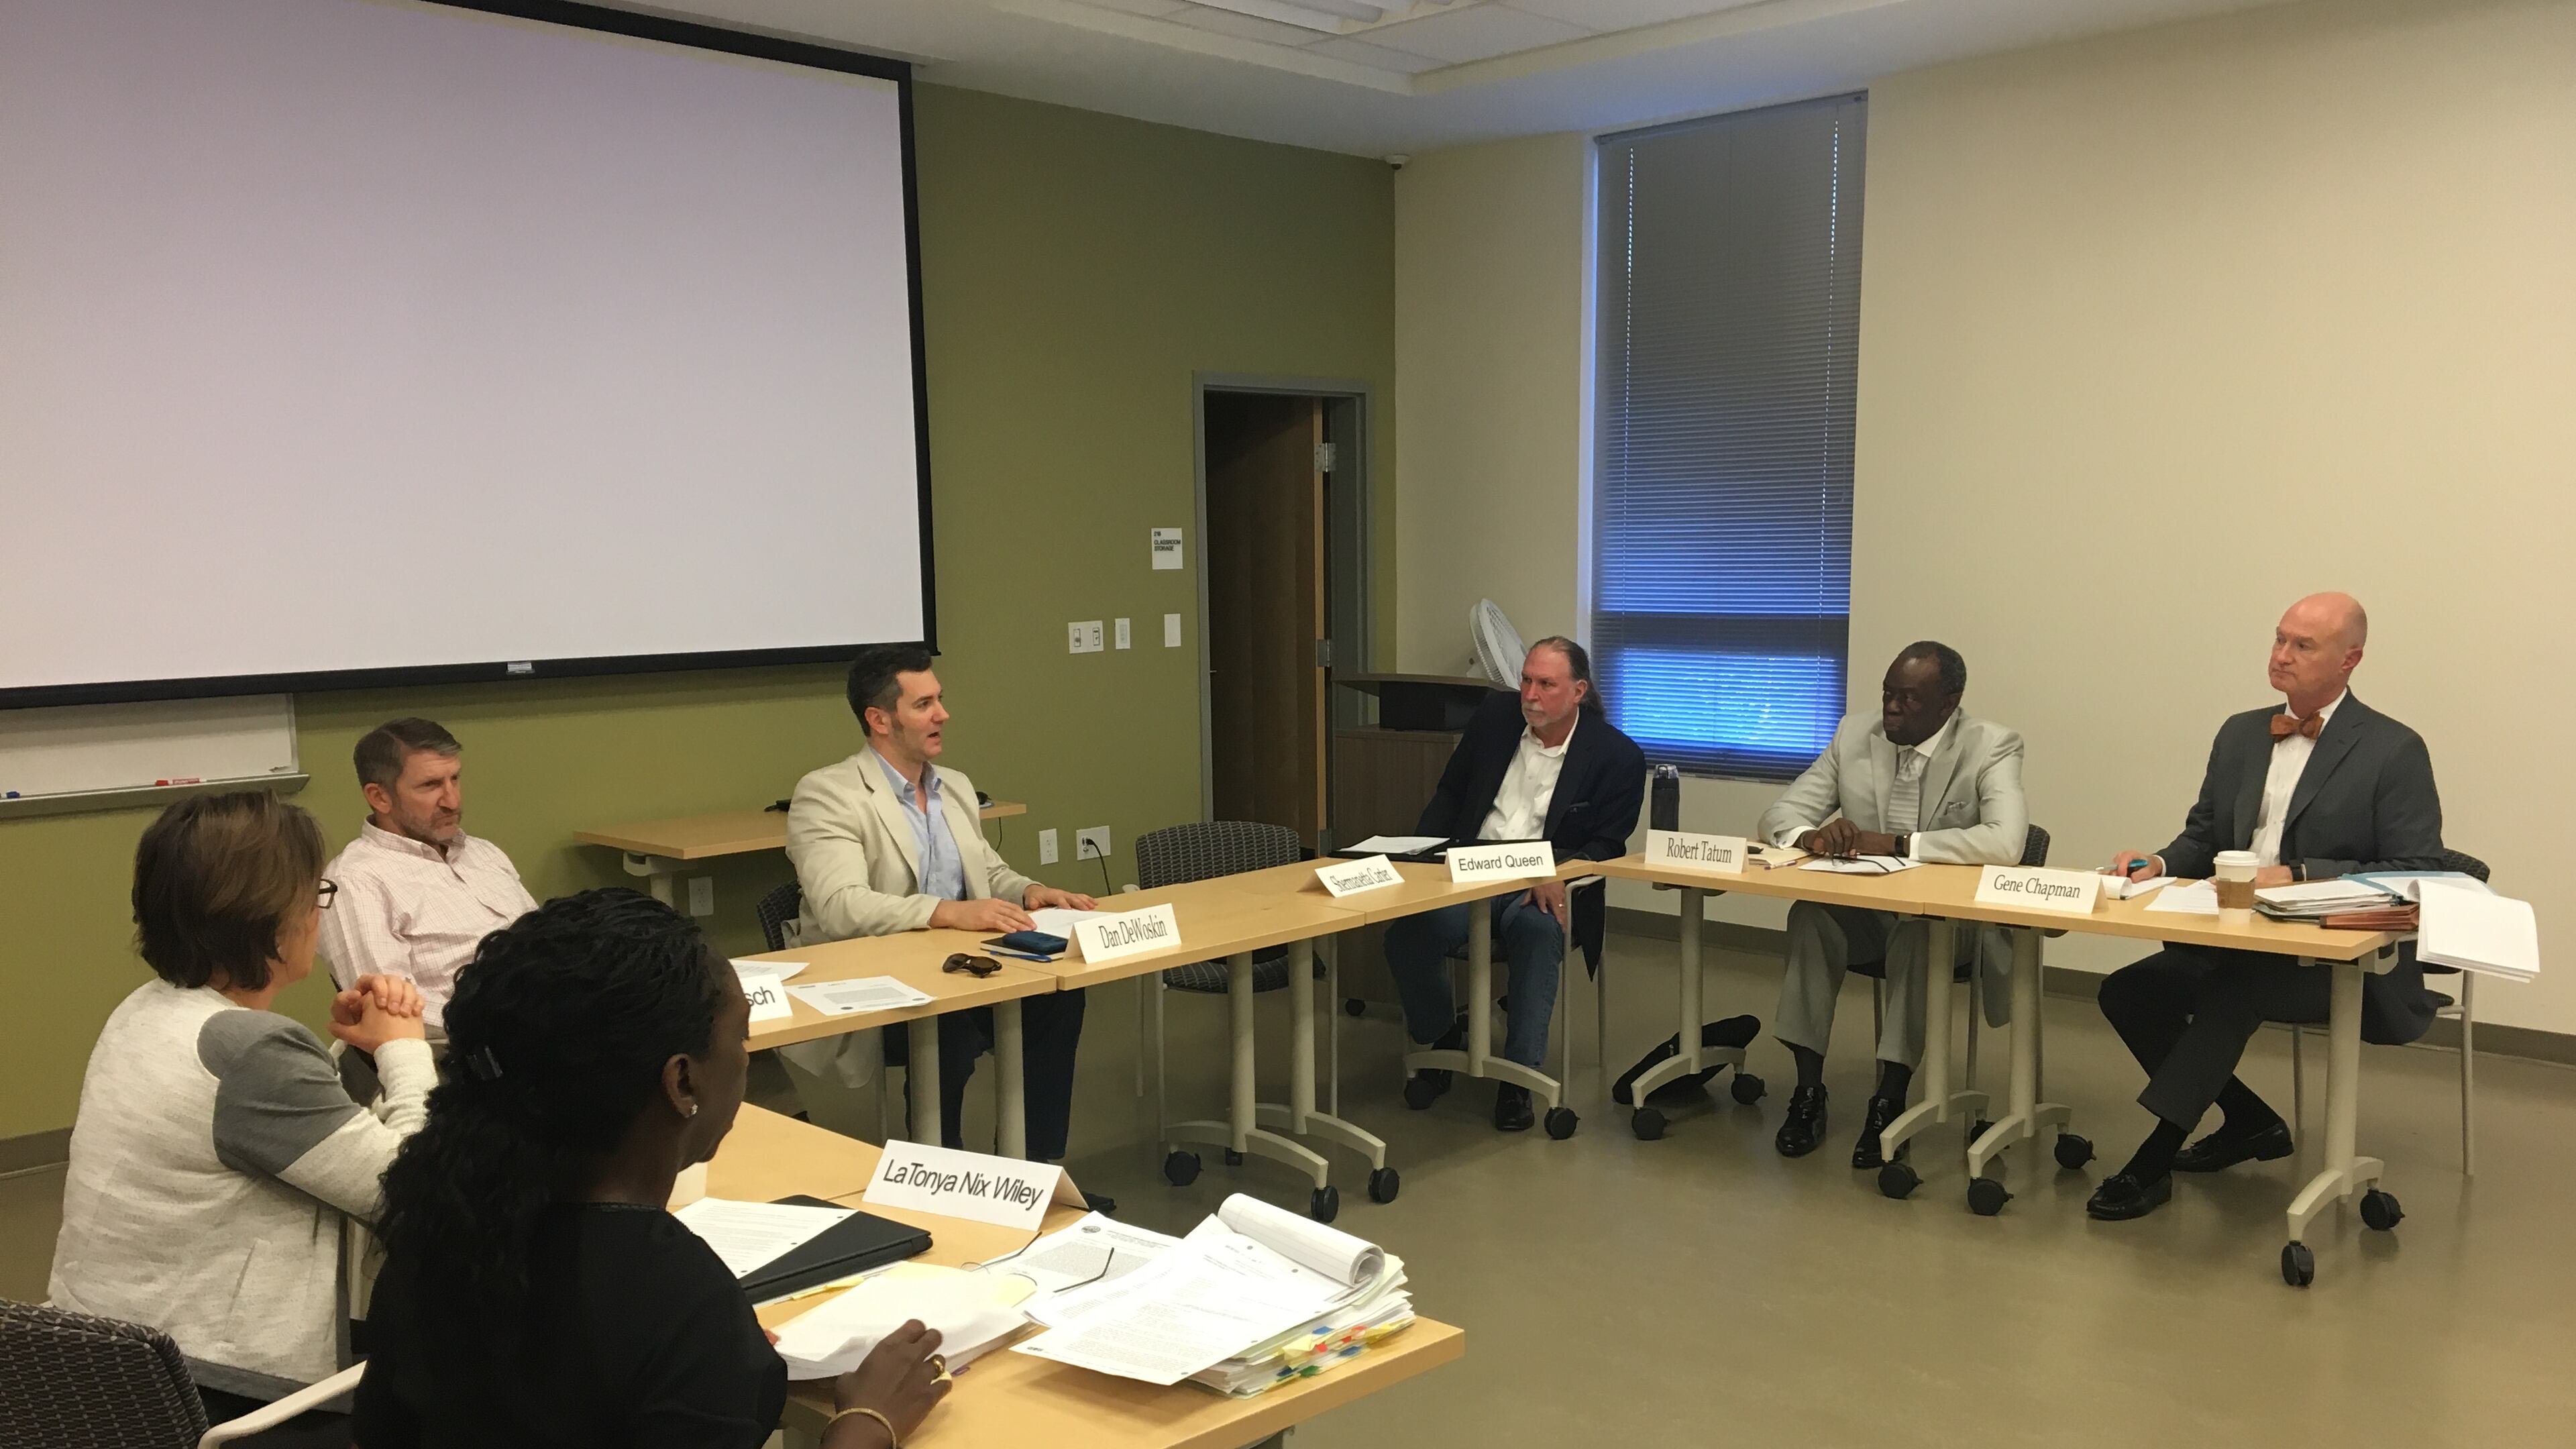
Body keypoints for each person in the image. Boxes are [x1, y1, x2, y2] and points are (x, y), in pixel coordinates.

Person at [357, 889, 951, 1448]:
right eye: (741, 1042)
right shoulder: (674, 1300)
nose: (745, 1063)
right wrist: (865, 1424)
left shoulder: (439, 1229)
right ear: (683, 1080)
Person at [48, 790, 429, 1445]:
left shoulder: (148, 1011)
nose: (319, 910)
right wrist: (405, 1049)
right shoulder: (252, 1052)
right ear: (268, 916)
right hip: (220, 1394)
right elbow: (425, 1197)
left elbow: (268, 1135)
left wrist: (358, 1058)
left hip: (102, 1369)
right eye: (316, 893)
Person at [2092, 592, 2444, 1221]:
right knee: (2128, 992)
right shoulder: (2240, 733)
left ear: (2349, 660)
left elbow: (2415, 869)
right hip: (2236, 937)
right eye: (2279, 640)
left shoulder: (2394, 749)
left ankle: (2153, 1159)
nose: (2281, 656)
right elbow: (2204, 837)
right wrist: (2162, 864)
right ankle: (2251, 1121)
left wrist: (2302, 875)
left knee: (2236, 990)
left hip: (2340, 963)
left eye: (2302, 646)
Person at [786, 645, 1097, 1161]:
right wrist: (946, 912)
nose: (943, 715)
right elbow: (841, 905)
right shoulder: (829, 794)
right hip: (874, 984)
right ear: (879, 719)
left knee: (1059, 997)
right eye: (924, 704)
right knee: (946, 1027)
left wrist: (1028, 890)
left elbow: (985, 870)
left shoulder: (954, 786)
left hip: (964, 969)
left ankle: (1036, 1169)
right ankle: (939, 1168)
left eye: (940, 700)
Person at [1756, 642, 2029, 1168]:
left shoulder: (1992, 745)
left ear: (1949, 704)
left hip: (1954, 926)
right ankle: (1809, 1092)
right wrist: (1810, 834)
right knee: (1810, 914)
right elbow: (1779, 814)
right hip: (1872, 915)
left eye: (1908, 699)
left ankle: (1891, 1098)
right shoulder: (1854, 735)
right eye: (1887, 694)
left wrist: (1901, 844)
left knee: (1919, 933)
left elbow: (2006, 843)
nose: (1892, 708)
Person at [1389, 637, 1645, 1132]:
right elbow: (1451, 793)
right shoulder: (1494, 720)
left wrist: (1562, 876)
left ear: (1578, 691)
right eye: (1526, 680)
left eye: (1546, 684)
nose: (1530, 694)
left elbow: (1608, 843)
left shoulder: (1617, 756)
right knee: (1407, 934)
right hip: (1468, 870)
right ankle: (1442, 1040)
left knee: (1538, 931)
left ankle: (1519, 1077)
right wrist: (1419, 857)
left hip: (1542, 880)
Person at [317, 717, 536, 1034]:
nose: (453, 801)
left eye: (455, 779)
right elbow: (390, 1012)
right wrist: (515, 1021)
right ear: (380, 797)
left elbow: (546, 944)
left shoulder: (483, 852)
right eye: (431, 786)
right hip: (476, 1052)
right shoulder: (356, 880)